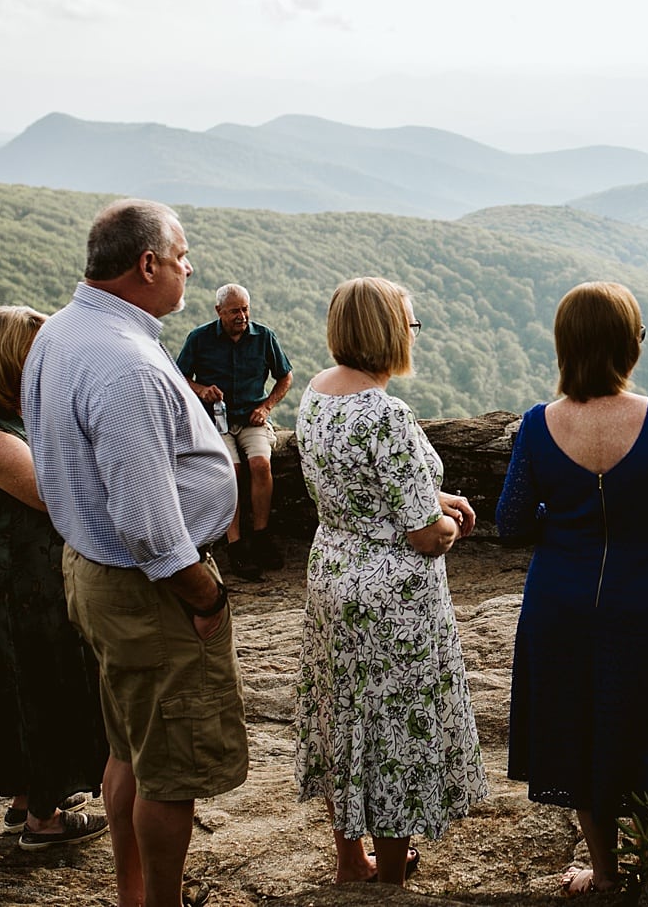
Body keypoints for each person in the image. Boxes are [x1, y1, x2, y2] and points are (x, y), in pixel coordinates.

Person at [23, 199, 246, 907]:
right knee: (169, 770)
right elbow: (149, 524)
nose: (190, 267)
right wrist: (206, 595)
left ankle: (134, 893)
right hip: (150, 590)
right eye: (183, 257)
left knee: (127, 746)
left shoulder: (62, 332)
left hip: (91, 567)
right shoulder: (126, 367)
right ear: (146, 264)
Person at [498, 281, 648, 896]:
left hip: (559, 601)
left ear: (565, 347)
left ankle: (604, 872)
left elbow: (511, 524)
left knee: (576, 725)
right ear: (630, 345)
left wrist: (566, 522)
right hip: (643, 599)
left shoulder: (539, 425)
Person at [294, 277, 487, 887]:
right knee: (394, 724)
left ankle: (350, 859)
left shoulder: (317, 394)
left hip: (332, 572)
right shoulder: (385, 412)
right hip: (391, 598)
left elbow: (366, 482)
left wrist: (434, 496)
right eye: (410, 321)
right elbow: (423, 534)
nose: (413, 332)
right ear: (384, 331)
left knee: (343, 716)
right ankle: (393, 871)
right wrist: (448, 525)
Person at [0, 305, 109, 850]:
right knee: (42, 694)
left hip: (33, 583)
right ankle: (43, 820)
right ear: (15, 359)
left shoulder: (19, 418)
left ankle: (28, 794)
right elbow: (52, 496)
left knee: (26, 693)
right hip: (22, 591)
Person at [176, 283, 294, 579]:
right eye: (234, 311)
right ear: (219, 312)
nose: (242, 316)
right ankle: (235, 544)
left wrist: (266, 408)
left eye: (245, 309)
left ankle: (262, 535)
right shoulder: (200, 338)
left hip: (252, 416)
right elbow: (178, 377)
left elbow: (285, 377)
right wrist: (201, 390)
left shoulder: (263, 336)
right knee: (231, 471)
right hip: (215, 422)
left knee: (261, 464)